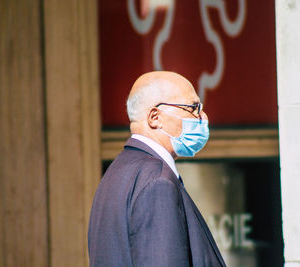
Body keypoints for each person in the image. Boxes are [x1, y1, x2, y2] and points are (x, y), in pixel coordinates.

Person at [88, 71, 226, 267]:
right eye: (193, 108)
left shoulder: (115, 175)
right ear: (155, 117)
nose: (203, 117)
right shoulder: (157, 183)